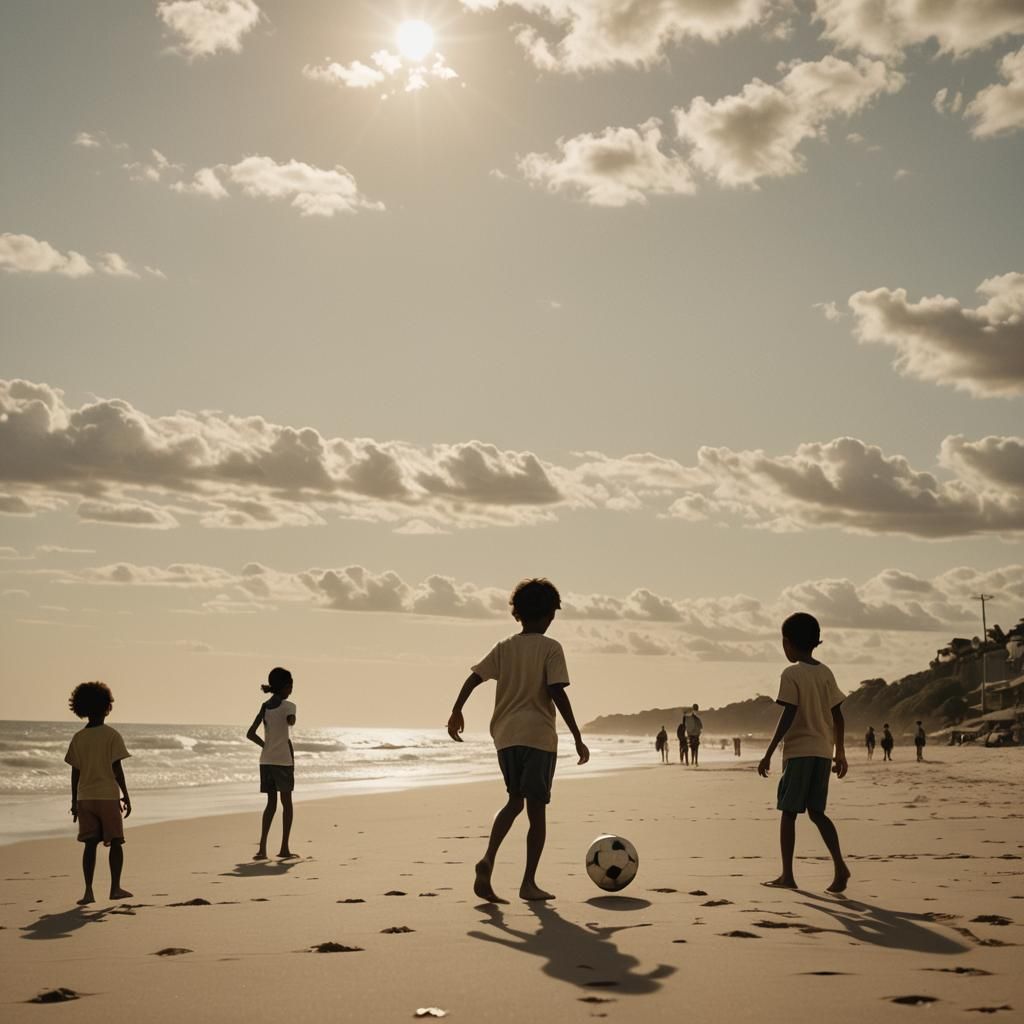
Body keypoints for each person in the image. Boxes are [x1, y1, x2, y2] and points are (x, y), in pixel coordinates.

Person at [447, 577, 589, 903]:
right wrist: (578, 736)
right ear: (550, 614)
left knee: (514, 801)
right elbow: (556, 690)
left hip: (505, 736)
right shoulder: (551, 648)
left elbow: (474, 678)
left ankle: (488, 859)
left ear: (518, 614)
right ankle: (528, 883)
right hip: (538, 736)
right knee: (536, 813)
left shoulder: (505, 647)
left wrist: (457, 711)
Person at [757, 612, 850, 894]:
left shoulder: (792, 673)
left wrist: (769, 752)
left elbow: (788, 714)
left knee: (788, 812)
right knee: (817, 812)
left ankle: (787, 875)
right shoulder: (825, 672)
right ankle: (839, 866)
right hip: (823, 752)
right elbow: (838, 715)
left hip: (799, 753)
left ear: (787, 643)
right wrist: (840, 752)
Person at [64, 681, 133, 906]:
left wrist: (74, 801)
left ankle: (88, 891)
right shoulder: (111, 735)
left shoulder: (78, 738)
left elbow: (75, 772)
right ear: (106, 707)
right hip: (107, 796)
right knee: (116, 842)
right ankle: (115, 888)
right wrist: (126, 795)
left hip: (85, 797)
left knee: (89, 844)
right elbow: (116, 769)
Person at [246, 667, 298, 861]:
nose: (292, 689)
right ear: (285, 687)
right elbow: (290, 723)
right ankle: (284, 848)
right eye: (291, 686)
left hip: (266, 761)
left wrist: (265, 746)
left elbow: (250, 734)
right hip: (284, 761)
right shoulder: (289, 706)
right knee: (287, 804)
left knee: (270, 805)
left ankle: (262, 849)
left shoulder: (265, 706)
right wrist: (290, 720)